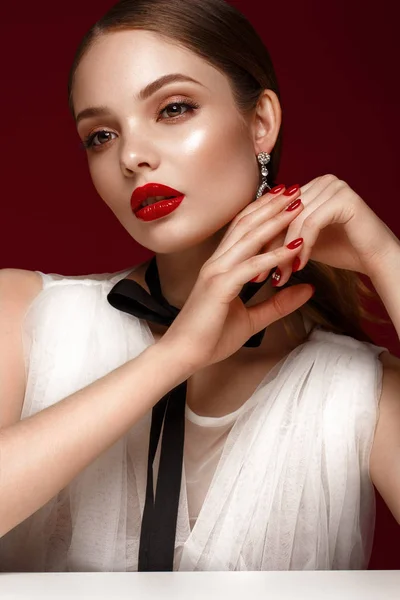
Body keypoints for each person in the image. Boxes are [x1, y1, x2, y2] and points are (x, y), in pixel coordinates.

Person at [1, 0, 399, 572]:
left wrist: (385, 257)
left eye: (174, 108)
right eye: (101, 135)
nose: (132, 156)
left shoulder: (359, 389)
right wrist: (176, 354)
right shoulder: (24, 316)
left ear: (260, 122)